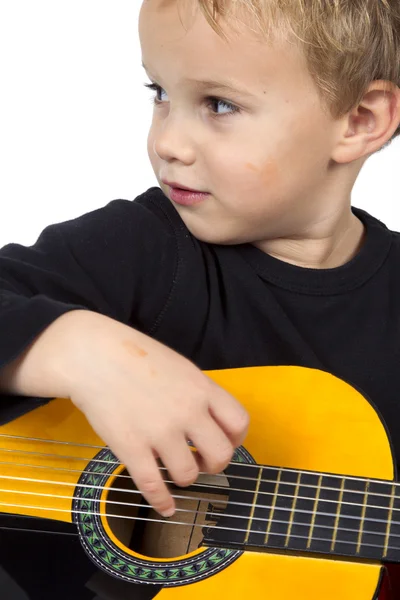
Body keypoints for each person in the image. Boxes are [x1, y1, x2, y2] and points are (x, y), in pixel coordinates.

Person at [0, 0, 399, 598]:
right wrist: (77, 348)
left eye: (219, 104)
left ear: (359, 120)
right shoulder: (142, 246)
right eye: (158, 92)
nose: (167, 142)